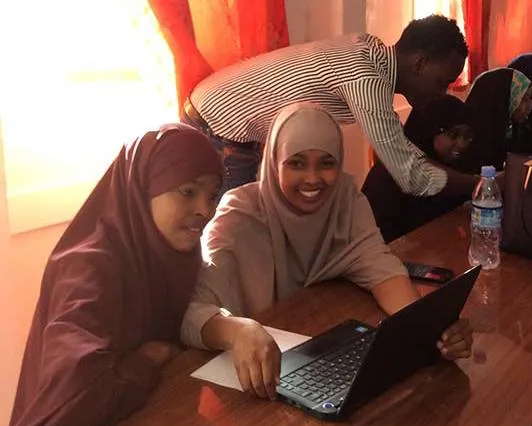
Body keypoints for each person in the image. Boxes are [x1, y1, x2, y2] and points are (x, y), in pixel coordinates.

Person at [181, 104, 473, 399]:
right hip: (252, 385)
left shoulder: (344, 200)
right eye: (296, 163)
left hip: (311, 373)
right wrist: (237, 331)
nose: (312, 178)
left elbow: (381, 268)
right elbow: (192, 311)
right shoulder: (238, 216)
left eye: (326, 163)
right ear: (273, 162)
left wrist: (430, 331)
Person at [7, 125, 223, 426]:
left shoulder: (169, 253)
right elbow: (77, 395)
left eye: (213, 194)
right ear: (142, 187)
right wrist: (144, 363)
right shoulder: (87, 268)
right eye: (188, 191)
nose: (206, 210)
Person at [182, 14, 480, 198]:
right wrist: (482, 185)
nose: (442, 93)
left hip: (222, 115)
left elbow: (403, 156)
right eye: (442, 81)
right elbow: (411, 175)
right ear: (420, 63)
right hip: (218, 125)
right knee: (236, 241)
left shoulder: (371, 51)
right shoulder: (366, 76)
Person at [362, 95, 479, 242]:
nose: (461, 144)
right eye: (453, 134)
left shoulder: (457, 166)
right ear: (429, 132)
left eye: (467, 136)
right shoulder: (389, 176)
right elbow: (378, 240)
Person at [463, 67, 532, 168]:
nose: (531, 104)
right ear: (502, 99)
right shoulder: (470, 141)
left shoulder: (512, 130)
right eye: (524, 99)